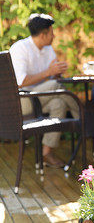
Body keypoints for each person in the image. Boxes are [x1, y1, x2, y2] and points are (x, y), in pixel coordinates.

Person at [9, 13, 80, 168]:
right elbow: (20, 82)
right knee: (56, 86)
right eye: (52, 33)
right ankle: (84, 119)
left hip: (40, 99)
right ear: (43, 35)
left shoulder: (48, 49)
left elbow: (52, 76)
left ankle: (46, 152)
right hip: (22, 101)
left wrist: (56, 72)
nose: (54, 36)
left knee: (58, 104)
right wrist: (48, 73)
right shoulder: (20, 49)